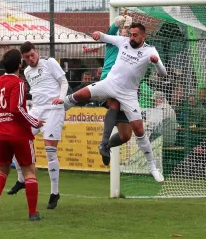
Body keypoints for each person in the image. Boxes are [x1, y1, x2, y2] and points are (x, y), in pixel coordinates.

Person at [62, 23, 167, 183]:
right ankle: (62, 106)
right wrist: (97, 34)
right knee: (82, 93)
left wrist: (156, 62)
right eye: (130, 34)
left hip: (129, 93)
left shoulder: (150, 51)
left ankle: (153, 167)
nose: (131, 37)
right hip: (110, 83)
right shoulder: (123, 41)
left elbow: (163, 73)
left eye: (135, 35)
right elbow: (106, 37)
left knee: (137, 130)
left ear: (143, 36)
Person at [7, 41, 69, 210]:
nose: (31, 59)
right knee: (15, 139)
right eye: (27, 57)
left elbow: (64, 82)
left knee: (50, 150)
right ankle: (21, 180)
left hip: (54, 109)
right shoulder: (27, 71)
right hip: (36, 110)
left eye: (32, 55)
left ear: (36, 52)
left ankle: (54, 193)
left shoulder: (50, 63)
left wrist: (62, 98)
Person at [0, 49, 44, 221]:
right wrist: (34, 122)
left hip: (1, 132)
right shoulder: (18, 83)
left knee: (1, 169)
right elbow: (16, 108)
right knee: (29, 172)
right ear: (20, 64)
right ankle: (33, 213)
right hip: (18, 133)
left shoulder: (0, 81)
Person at [98, 14, 133, 165]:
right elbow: (108, 34)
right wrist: (115, 24)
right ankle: (104, 142)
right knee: (115, 104)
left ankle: (106, 146)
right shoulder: (113, 41)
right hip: (109, 79)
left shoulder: (134, 46)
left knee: (125, 135)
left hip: (126, 87)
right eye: (124, 28)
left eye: (129, 29)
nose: (126, 31)